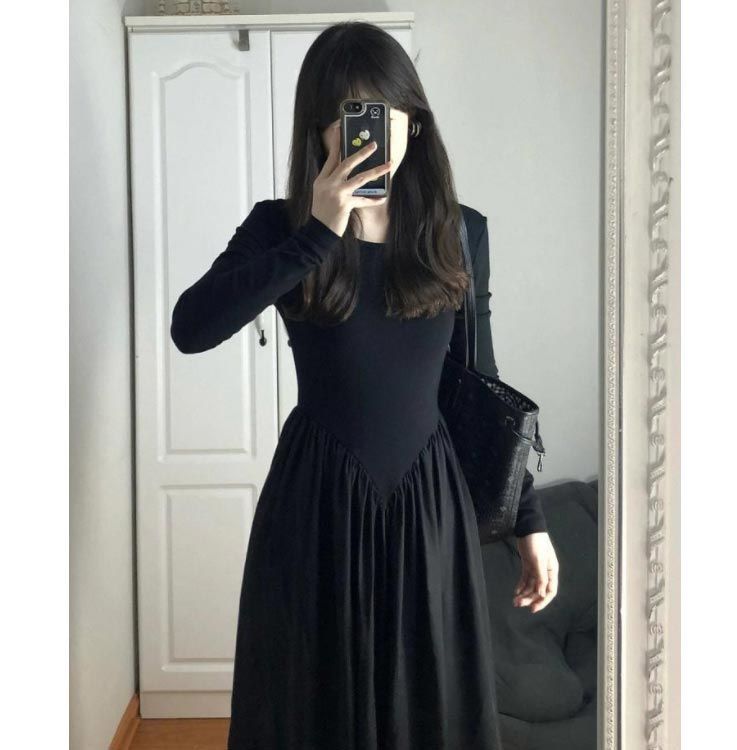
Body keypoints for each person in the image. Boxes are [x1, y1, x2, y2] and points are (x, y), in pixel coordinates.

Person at [170, 20, 559, 750]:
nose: (365, 133)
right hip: (317, 506)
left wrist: (529, 520)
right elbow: (191, 327)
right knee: (314, 712)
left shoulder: (459, 231)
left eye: (382, 112)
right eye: (344, 116)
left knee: (428, 711)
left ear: (413, 121)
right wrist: (318, 232)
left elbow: (481, 382)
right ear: (318, 131)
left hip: (429, 508)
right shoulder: (281, 228)